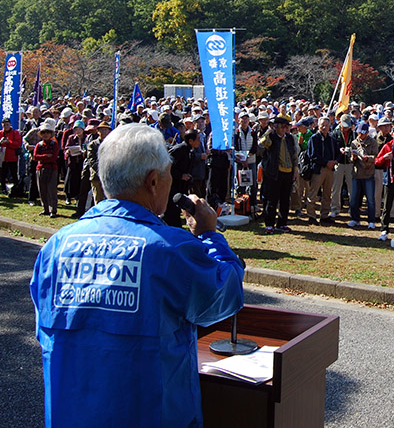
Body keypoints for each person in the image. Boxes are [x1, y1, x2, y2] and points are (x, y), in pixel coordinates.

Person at [30, 123, 244, 427]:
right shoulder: (171, 249)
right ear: (153, 181)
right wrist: (210, 236)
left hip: (70, 414)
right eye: (169, 173)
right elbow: (226, 296)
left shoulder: (55, 247)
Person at [259, 115, 298, 234]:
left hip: (288, 172)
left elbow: (294, 155)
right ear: (276, 127)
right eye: (282, 127)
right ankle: (269, 224)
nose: (284, 129)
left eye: (286, 127)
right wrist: (269, 131)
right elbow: (263, 143)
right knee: (272, 199)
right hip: (274, 173)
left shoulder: (290, 139)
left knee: (285, 200)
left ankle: (282, 223)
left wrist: (295, 170)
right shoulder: (271, 137)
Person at [348, 121, 379, 228]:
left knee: (370, 199)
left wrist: (367, 158)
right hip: (356, 174)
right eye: (359, 133)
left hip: (368, 174)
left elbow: (376, 157)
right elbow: (350, 160)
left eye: (362, 133)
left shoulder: (373, 143)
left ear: (367, 133)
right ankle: (354, 218)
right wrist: (353, 158)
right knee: (354, 198)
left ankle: (371, 221)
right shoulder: (354, 143)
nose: (360, 135)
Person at [33, 122, 61, 217]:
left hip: (52, 169)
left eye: (47, 132)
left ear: (51, 134)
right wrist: (46, 156)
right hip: (40, 169)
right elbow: (35, 157)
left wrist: (42, 157)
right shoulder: (39, 145)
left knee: (52, 190)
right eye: (43, 132)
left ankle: (53, 210)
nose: (45, 134)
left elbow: (54, 157)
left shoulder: (54, 144)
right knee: (42, 190)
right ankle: (45, 209)